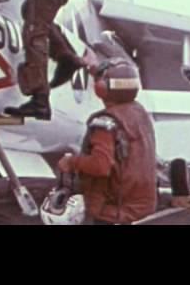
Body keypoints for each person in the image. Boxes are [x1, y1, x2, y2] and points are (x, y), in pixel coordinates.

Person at [56, 58, 157, 225]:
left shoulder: (105, 123)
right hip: (137, 202)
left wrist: (71, 162)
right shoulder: (139, 113)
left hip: (112, 208)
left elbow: (100, 166)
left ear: (101, 90)